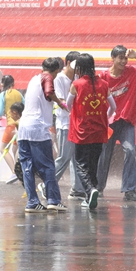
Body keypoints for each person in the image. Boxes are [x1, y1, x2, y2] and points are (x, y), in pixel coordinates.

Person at [97, 45, 136, 201]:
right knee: (104, 155)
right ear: (113, 58)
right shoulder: (103, 76)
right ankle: (98, 187)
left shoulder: (132, 72)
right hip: (108, 123)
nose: (124, 61)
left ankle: (129, 190)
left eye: (126, 58)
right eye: (120, 58)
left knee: (130, 151)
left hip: (127, 121)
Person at [16, 58, 69, 213]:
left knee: (27, 166)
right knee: (47, 166)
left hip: (23, 129)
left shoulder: (34, 79)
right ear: (57, 70)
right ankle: (53, 200)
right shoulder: (48, 77)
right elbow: (49, 92)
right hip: (38, 129)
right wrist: (60, 103)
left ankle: (32, 202)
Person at [66, 53, 116, 210]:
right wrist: (105, 119)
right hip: (99, 131)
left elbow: (68, 105)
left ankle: (90, 190)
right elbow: (113, 107)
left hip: (82, 131)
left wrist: (74, 114)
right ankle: (90, 197)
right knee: (93, 163)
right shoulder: (104, 84)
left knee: (81, 164)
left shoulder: (77, 84)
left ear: (79, 68)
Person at [53, 52, 84, 200]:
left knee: (76, 158)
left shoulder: (78, 78)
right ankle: (48, 184)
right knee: (64, 157)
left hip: (76, 124)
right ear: (69, 63)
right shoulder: (59, 78)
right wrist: (73, 109)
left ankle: (77, 189)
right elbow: (60, 100)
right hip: (65, 124)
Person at [0, 101, 24, 177]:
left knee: (3, 148)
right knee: (15, 148)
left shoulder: (18, 123)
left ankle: (15, 172)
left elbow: (0, 112)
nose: (10, 115)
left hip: (10, 127)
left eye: (10, 113)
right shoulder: (19, 94)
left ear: (15, 112)